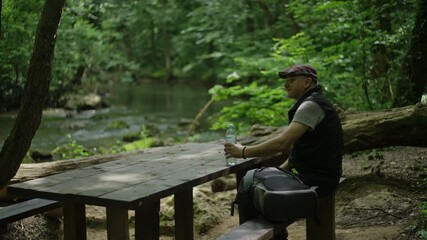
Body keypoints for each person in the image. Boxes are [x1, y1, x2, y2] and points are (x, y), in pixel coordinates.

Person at [223, 64, 343, 240]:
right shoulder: (313, 102)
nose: (286, 85)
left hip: (317, 180)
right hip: (318, 174)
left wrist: (243, 152)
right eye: (286, 81)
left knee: (249, 182)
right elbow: (301, 151)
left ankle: (264, 236)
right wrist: (280, 170)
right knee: (257, 180)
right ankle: (275, 235)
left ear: (307, 82)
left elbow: (282, 143)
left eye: (291, 80)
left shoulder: (310, 106)